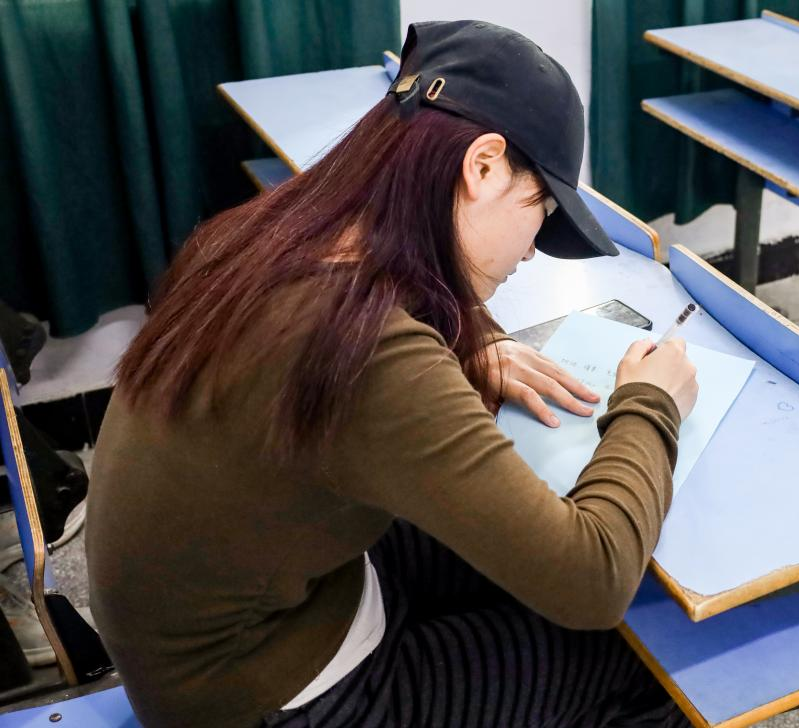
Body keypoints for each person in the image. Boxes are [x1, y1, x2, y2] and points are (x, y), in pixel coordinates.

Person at [86, 20, 698, 728]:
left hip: (246, 623)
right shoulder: (365, 348)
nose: (532, 251)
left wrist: (473, 343)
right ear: (484, 167)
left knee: (514, 558)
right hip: (266, 699)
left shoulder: (267, 234)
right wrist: (649, 404)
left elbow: (414, 295)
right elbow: (591, 583)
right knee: (650, 659)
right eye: (542, 210)